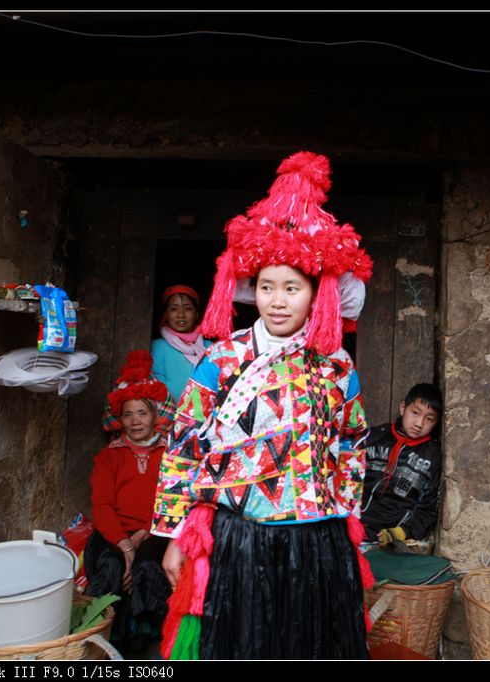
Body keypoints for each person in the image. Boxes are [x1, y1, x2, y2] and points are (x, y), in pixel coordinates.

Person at [151, 151, 375, 660]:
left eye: (292, 288)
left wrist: (349, 532)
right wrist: (176, 532)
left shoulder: (337, 366)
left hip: (317, 542)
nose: (277, 300)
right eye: (267, 287)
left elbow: (352, 445)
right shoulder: (224, 356)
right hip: (238, 539)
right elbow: (184, 442)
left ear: (317, 295)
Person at [86, 350, 178, 655]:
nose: (135, 421)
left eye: (142, 413)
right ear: (119, 418)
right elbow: (102, 506)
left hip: (156, 532)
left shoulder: (170, 455)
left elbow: (173, 501)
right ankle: (104, 641)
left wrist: (142, 537)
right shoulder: (109, 456)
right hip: (115, 534)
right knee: (111, 566)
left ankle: (148, 641)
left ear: (155, 416)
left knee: (148, 566)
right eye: (127, 414)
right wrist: (126, 546)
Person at [360, 383, 443, 551]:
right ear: (402, 407)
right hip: (354, 525)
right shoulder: (374, 437)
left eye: (429, 419)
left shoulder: (432, 456)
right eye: (415, 413)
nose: (419, 423)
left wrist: (400, 532)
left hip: (393, 536)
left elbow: (427, 508)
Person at [150, 285, 209, 403]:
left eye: (187, 308)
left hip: (206, 418)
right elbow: (157, 390)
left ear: (197, 314)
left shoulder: (210, 347)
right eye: (174, 309)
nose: (180, 314)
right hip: (171, 417)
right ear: (165, 315)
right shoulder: (158, 347)